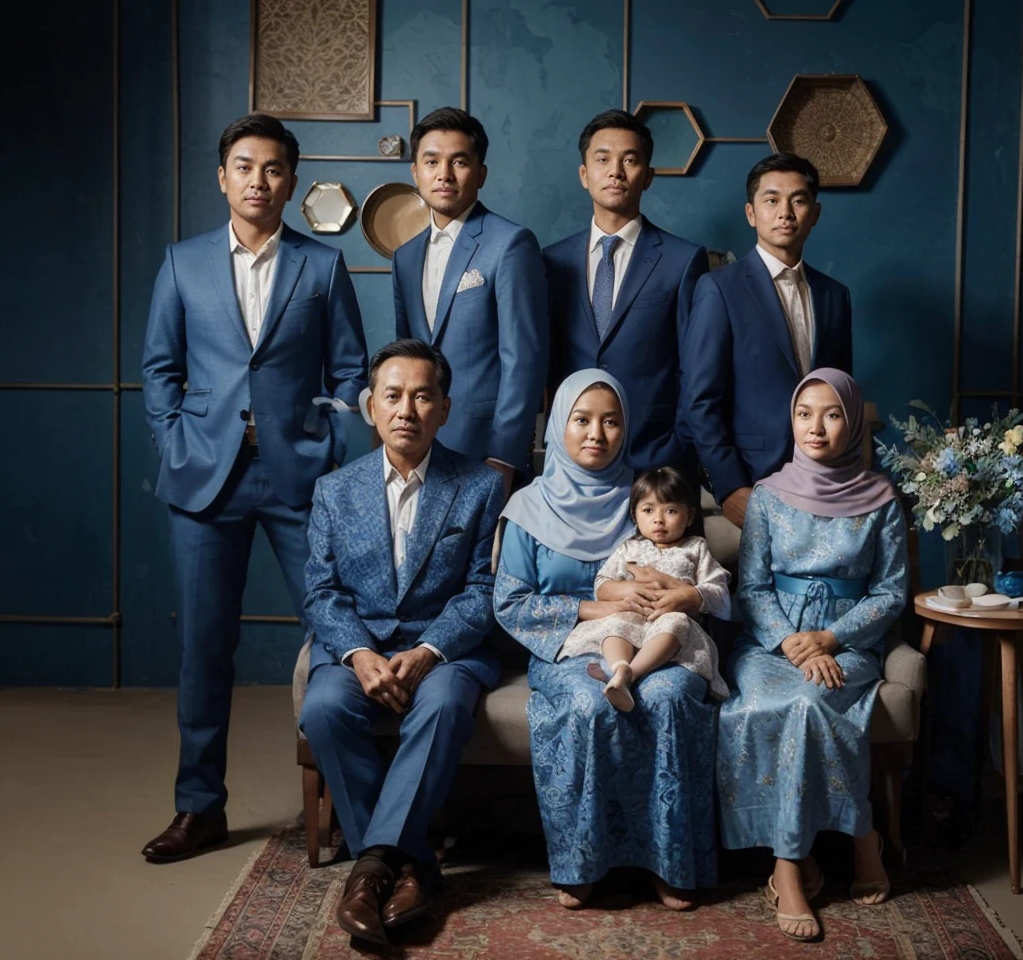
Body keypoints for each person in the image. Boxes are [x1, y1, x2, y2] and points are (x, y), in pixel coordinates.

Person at [140, 113, 367, 863]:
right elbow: (160, 369)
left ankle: (348, 803)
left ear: (292, 183)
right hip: (205, 478)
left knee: (338, 636)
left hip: (300, 477)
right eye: (244, 166)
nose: (258, 181)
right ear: (223, 176)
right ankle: (198, 807)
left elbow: (350, 373)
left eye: (273, 169)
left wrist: (325, 440)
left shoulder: (323, 266)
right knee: (205, 648)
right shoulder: (182, 263)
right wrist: (176, 439)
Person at [299, 339, 504, 948]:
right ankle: (408, 864)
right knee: (324, 708)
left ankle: (368, 871)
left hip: (447, 650)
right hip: (357, 644)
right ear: (370, 407)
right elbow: (320, 593)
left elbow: (484, 589)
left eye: (422, 396)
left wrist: (431, 650)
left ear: (444, 408)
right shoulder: (335, 491)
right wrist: (359, 655)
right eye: (392, 396)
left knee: (441, 706)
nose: (406, 410)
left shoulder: (480, 485)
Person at [494, 370, 717, 912]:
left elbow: (693, 575)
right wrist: (598, 606)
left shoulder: (649, 498)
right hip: (570, 644)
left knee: (666, 698)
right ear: (559, 429)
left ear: (626, 429)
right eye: (582, 420)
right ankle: (583, 860)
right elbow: (510, 603)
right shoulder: (528, 507)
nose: (596, 433)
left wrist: (679, 594)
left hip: (654, 643)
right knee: (586, 704)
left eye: (610, 421)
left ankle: (669, 862)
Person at [717, 368, 906, 942]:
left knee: (809, 702)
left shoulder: (881, 500)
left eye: (831, 414)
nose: (815, 427)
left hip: (847, 642)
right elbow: (750, 588)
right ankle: (840, 846)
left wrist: (832, 639)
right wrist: (789, 641)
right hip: (772, 644)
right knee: (760, 707)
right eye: (804, 414)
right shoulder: (769, 496)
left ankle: (797, 860)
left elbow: (892, 591)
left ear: (851, 422)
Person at [681, 152, 853, 532]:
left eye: (798, 200)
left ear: (816, 213)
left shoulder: (834, 295)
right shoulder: (718, 289)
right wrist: (729, 487)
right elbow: (699, 400)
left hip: (825, 482)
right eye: (772, 200)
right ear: (750, 213)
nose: (785, 212)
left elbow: (843, 397)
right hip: (752, 478)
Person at [392, 107, 549, 496]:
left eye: (458, 161)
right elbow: (405, 357)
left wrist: (505, 456)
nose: (444, 174)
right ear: (416, 172)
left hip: (486, 452)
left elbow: (524, 361)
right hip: (418, 449)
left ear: (480, 173)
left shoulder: (510, 244)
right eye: (431, 162)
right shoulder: (405, 256)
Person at [544, 110, 708, 475]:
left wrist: (677, 448)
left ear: (648, 177)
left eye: (630, 160)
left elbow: (694, 370)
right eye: (602, 159)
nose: (616, 171)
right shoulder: (551, 262)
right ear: (584, 175)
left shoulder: (683, 260)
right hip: (570, 462)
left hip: (654, 461)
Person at [558, 466, 731, 710]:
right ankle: (618, 666)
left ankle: (630, 673)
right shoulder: (629, 548)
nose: (658, 519)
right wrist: (625, 590)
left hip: (669, 628)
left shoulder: (695, 548)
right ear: (635, 515)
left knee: (677, 623)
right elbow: (602, 585)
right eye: (648, 510)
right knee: (615, 621)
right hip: (632, 618)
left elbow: (719, 592)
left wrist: (690, 595)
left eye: (671, 510)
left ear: (690, 516)